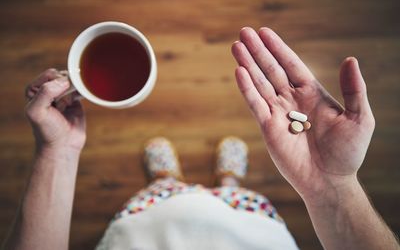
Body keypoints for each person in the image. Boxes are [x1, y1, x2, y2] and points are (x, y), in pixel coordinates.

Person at [1, 27, 399, 250]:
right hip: (250, 233)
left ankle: (164, 184)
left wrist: (57, 152)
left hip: (147, 232)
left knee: (160, 201)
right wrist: (332, 187)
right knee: (237, 205)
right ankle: (228, 183)